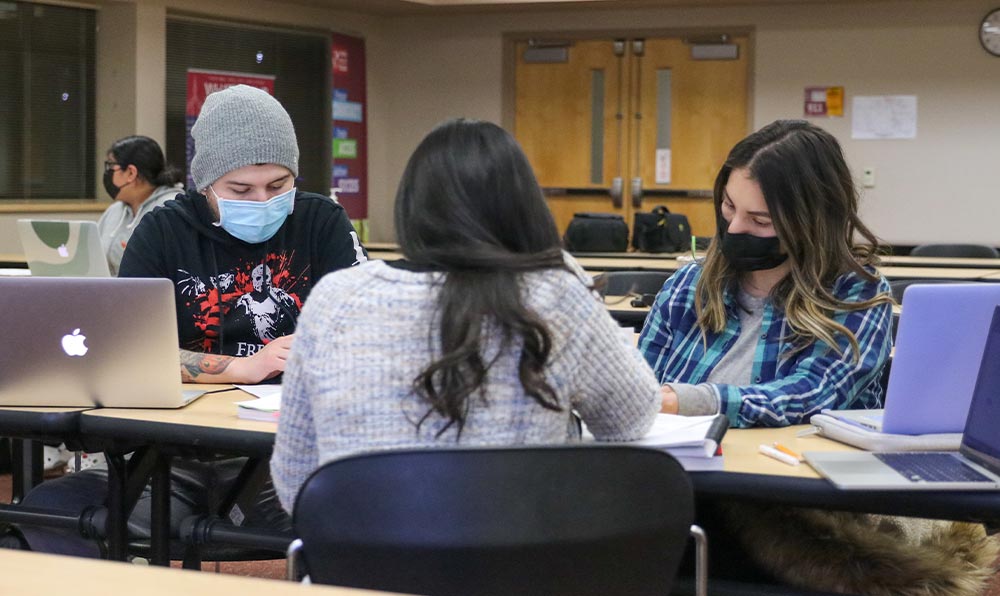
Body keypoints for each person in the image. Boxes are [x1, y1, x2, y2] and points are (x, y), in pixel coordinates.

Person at [8, 84, 367, 556]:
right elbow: (124, 353)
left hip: (290, 455)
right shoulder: (162, 231)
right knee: (48, 514)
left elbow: (366, 336)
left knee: (374, 514)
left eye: (278, 187)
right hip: (171, 457)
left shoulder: (322, 222)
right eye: (241, 189)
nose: (261, 201)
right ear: (204, 182)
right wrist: (243, 366)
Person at [270, 118, 661, 512]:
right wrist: (558, 264)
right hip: (522, 563)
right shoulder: (554, 294)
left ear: (409, 205)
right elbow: (631, 419)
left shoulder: (336, 299)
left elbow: (296, 483)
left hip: (359, 564)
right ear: (525, 207)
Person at [638, 119, 893, 428]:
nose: (733, 228)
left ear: (812, 223)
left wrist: (693, 402)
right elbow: (638, 388)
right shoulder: (686, 287)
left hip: (792, 472)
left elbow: (814, 395)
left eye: (760, 220)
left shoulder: (856, 294)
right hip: (684, 469)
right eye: (729, 206)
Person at [98, 135, 183, 275]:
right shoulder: (115, 211)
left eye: (111, 166)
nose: (107, 173)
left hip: (152, 294)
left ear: (131, 172)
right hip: (112, 294)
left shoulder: (171, 210)